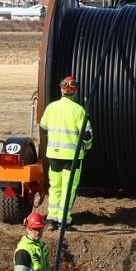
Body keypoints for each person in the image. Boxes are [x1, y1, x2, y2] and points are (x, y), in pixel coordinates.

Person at [39, 75, 93, 231]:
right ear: (74, 91)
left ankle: (51, 219)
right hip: (72, 157)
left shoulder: (51, 108)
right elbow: (87, 135)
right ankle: (64, 221)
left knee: (55, 186)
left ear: (61, 90)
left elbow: (43, 127)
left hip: (54, 155)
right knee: (68, 188)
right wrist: (87, 147)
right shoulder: (78, 110)